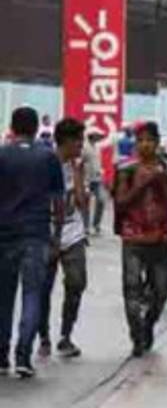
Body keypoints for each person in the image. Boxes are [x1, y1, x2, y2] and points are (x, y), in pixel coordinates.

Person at [0, 107, 64, 378]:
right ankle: (24, 356)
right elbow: (58, 200)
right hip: (36, 234)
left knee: (3, 296)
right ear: (37, 127)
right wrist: (57, 235)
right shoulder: (48, 157)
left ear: (12, 127)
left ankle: (1, 356)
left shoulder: (2, 154)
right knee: (32, 294)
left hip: (4, 234)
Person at [111, 122, 167, 357]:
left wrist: (162, 181)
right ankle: (137, 335)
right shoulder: (126, 169)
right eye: (141, 140)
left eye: (150, 140)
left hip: (160, 237)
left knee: (161, 289)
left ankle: (148, 324)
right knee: (131, 287)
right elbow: (121, 202)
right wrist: (142, 184)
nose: (145, 145)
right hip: (133, 235)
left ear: (157, 142)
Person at [36, 118, 90, 358]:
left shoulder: (77, 166)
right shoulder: (45, 164)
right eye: (79, 141)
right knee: (42, 288)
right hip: (46, 233)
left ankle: (66, 335)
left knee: (76, 282)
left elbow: (81, 201)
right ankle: (43, 335)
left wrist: (78, 173)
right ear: (67, 141)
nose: (82, 146)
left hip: (73, 233)